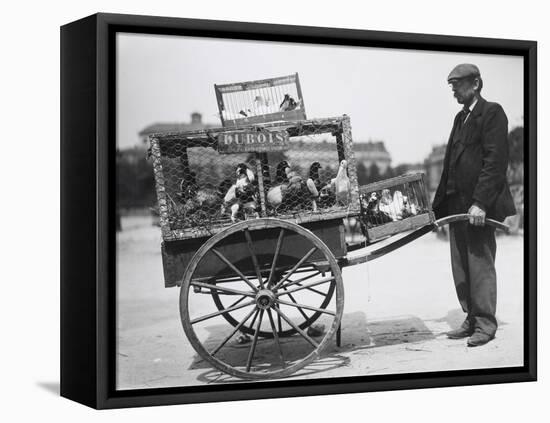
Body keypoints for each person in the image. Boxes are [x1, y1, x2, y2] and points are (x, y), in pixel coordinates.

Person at [432, 64, 516, 347]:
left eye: (457, 83)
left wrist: (480, 203)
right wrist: (437, 208)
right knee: (461, 265)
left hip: (477, 207)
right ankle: (471, 317)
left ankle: (485, 323)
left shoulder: (492, 112)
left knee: (480, 264)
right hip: (457, 204)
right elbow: (449, 166)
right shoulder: (459, 118)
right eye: (451, 85)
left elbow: (495, 162)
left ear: (476, 83)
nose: (453, 89)